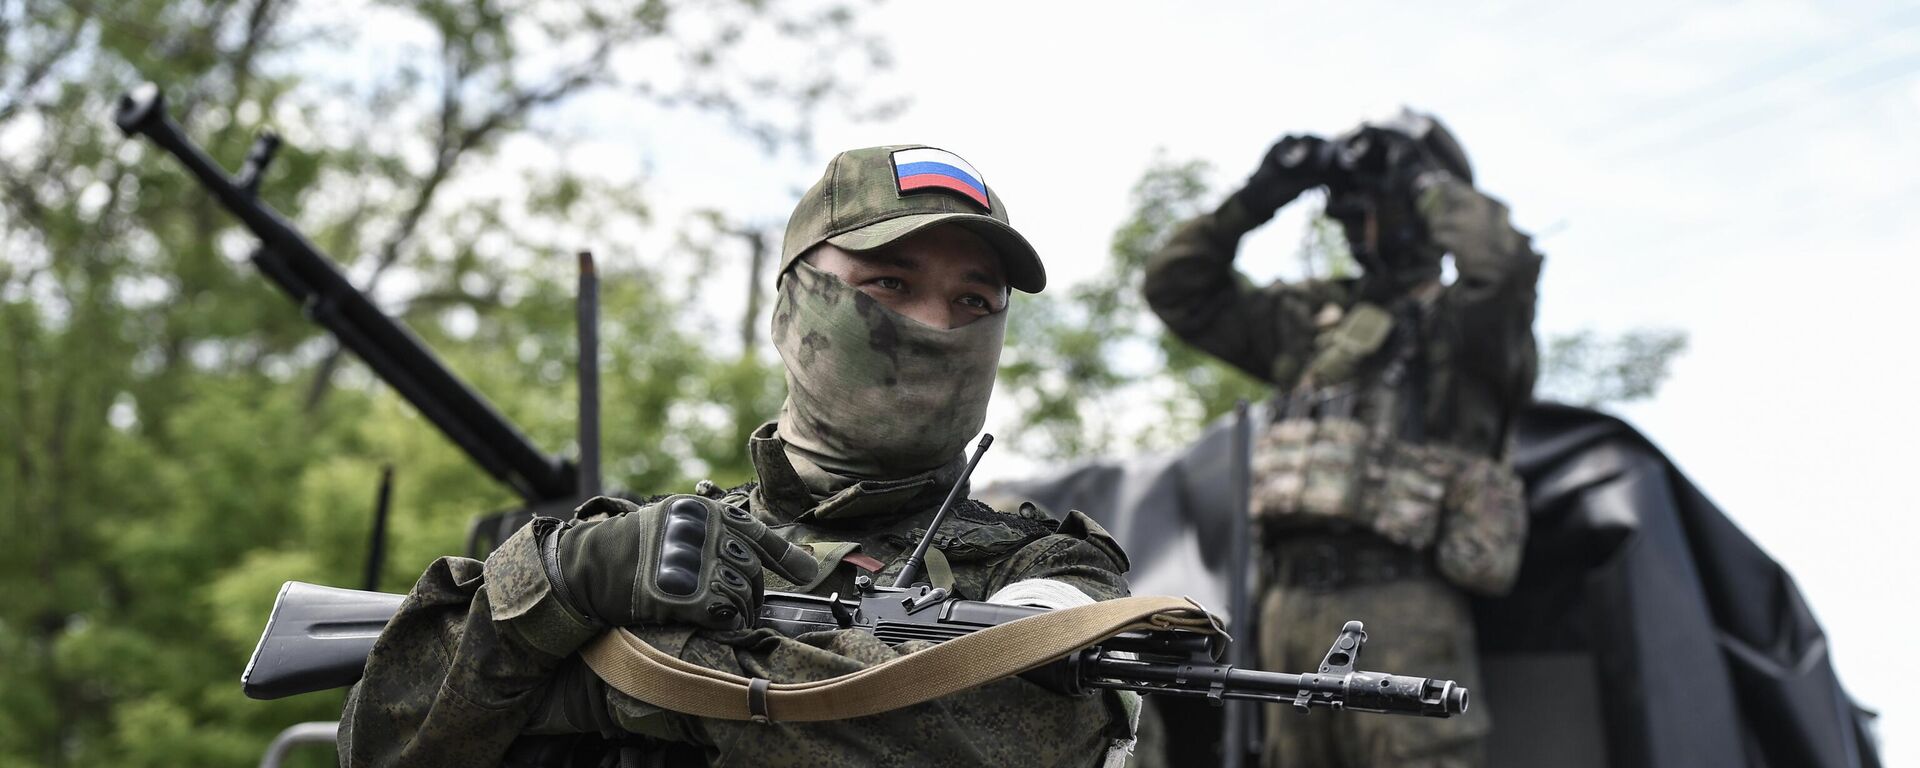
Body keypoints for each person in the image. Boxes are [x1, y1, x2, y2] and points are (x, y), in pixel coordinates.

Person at [339, 145, 1140, 767]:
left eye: (973, 300)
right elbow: (383, 742)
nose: (935, 324)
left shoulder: (1055, 568)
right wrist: (558, 581)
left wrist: (610, 683)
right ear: (793, 308)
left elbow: (977, 730)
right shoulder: (639, 548)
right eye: (891, 283)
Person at [1142, 110, 1540, 768]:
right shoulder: (1311, 322)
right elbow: (1178, 289)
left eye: (1374, 205)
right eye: (1350, 208)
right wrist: (1256, 199)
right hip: (1287, 603)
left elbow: (1503, 265)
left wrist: (1420, 176)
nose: (1360, 223)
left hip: (1400, 602)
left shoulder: (1468, 329)